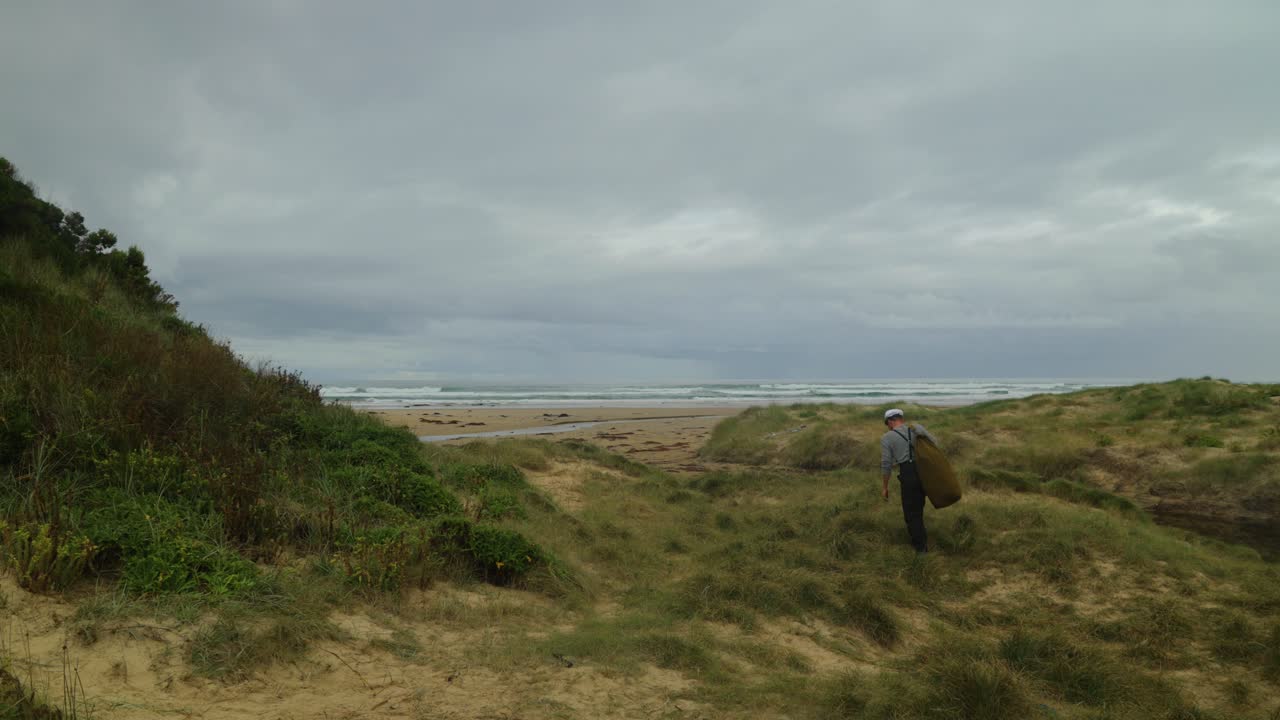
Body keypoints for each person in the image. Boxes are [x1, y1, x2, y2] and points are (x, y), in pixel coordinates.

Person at [880, 408, 938, 555]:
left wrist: (885, 487)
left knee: (911, 512)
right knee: (919, 506)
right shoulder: (916, 428)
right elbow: (935, 443)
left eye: (887, 423)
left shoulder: (887, 437)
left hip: (908, 473)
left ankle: (921, 548)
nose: (888, 427)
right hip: (925, 471)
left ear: (891, 421)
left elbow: (886, 464)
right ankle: (919, 537)